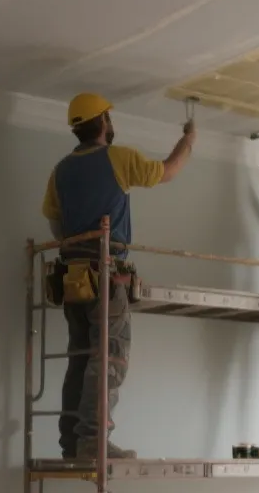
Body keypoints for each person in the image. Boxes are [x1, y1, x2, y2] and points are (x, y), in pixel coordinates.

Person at [42, 92, 195, 461]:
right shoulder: (118, 157)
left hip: (73, 277)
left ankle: (72, 443)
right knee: (110, 356)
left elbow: (55, 223)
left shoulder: (60, 170)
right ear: (105, 122)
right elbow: (169, 171)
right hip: (105, 274)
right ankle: (93, 440)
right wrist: (188, 140)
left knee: (80, 357)